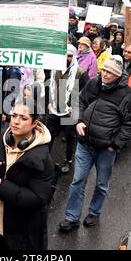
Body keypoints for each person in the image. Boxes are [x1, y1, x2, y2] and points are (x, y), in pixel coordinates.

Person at [59, 55, 131, 232]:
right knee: (78, 180)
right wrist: (78, 121)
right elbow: (79, 101)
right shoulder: (93, 83)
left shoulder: (126, 95)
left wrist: (115, 144)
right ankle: (71, 216)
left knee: (101, 184)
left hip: (106, 150)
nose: (106, 75)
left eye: (111, 72)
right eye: (105, 70)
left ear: (118, 75)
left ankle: (94, 212)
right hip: (85, 143)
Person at [0, 99, 54, 250]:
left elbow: (39, 198)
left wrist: (2, 186)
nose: (16, 121)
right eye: (14, 116)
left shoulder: (43, 158)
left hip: (20, 236)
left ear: (34, 123)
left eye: (23, 118)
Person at [47, 44, 85, 173]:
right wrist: (49, 101)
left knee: (69, 138)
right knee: (49, 136)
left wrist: (75, 108)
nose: (66, 58)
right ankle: (45, 160)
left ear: (74, 57)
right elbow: (50, 85)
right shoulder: (55, 68)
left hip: (69, 112)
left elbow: (85, 93)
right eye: (65, 55)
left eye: (69, 56)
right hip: (54, 109)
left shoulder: (80, 72)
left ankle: (68, 161)